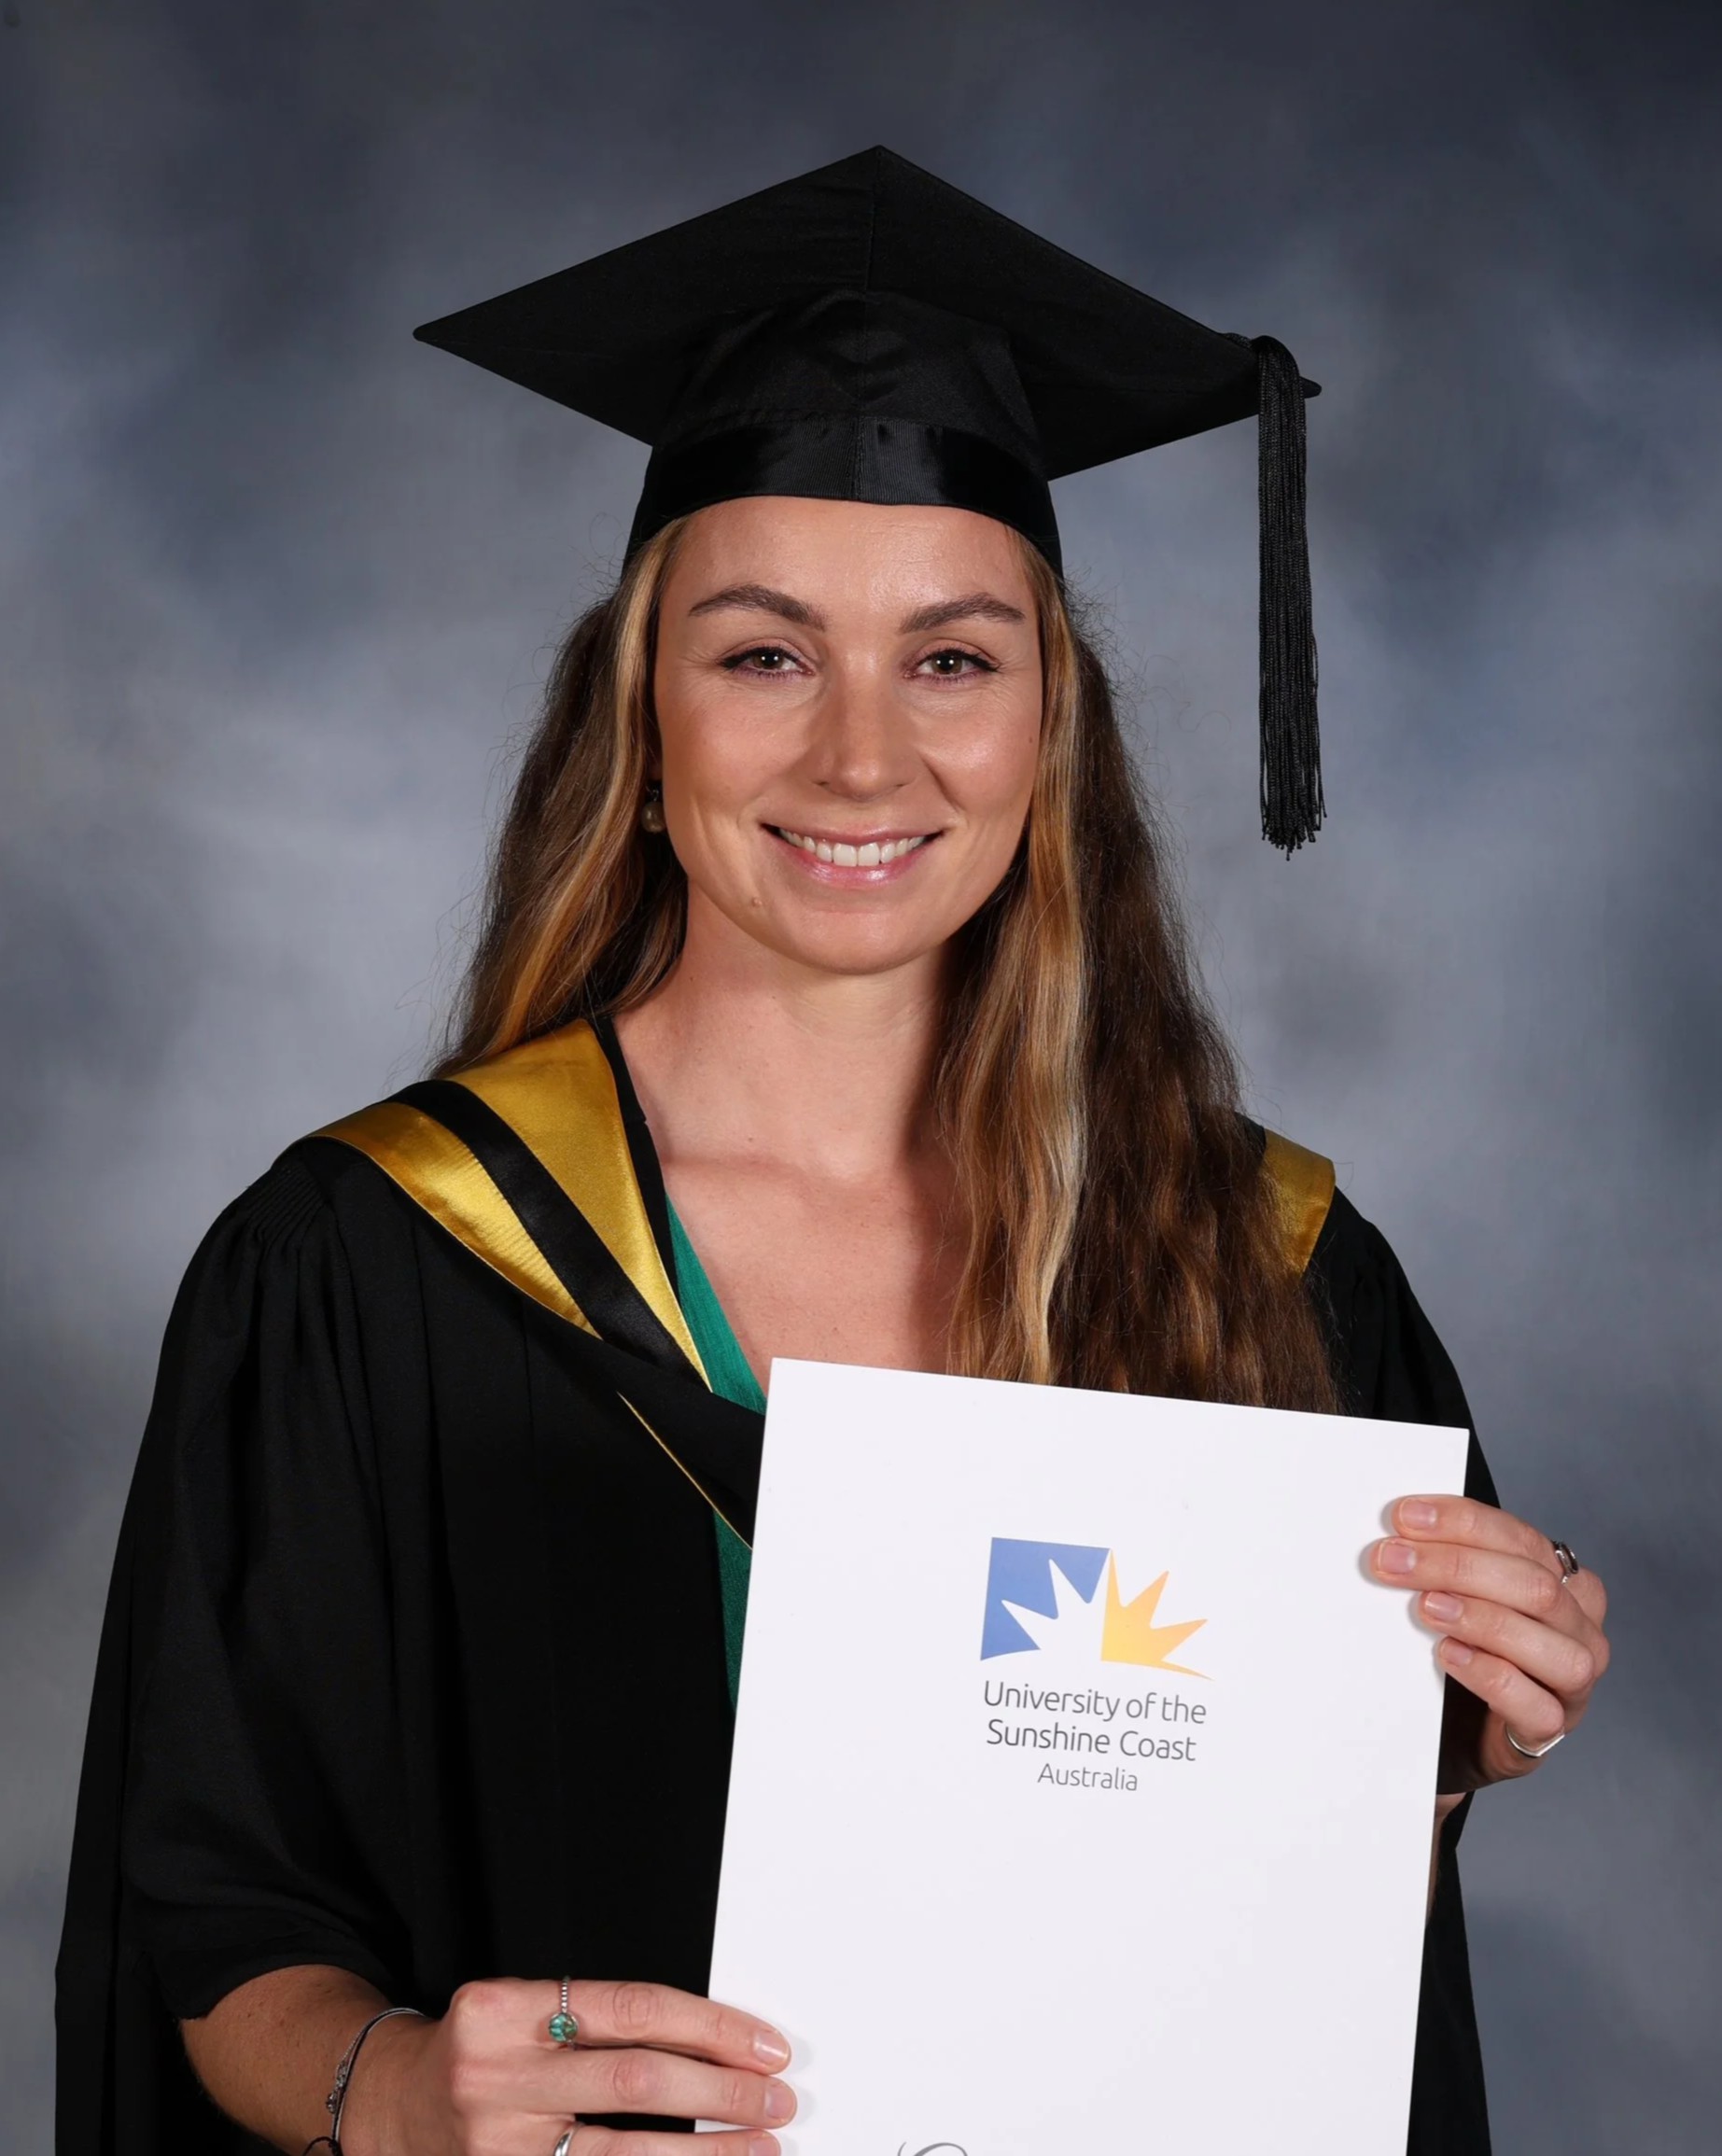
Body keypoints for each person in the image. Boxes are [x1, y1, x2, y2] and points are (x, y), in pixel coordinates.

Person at [56, 148, 1610, 2156]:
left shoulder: (1274, 1261)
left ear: (1051, 726)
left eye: (952, 658)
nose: (863, 759)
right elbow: (216, 1912)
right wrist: (398, 2098)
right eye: (763, 653)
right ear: (642, 715)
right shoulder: (370, 1262)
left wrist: (1444, 1738)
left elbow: (1304, 1979)